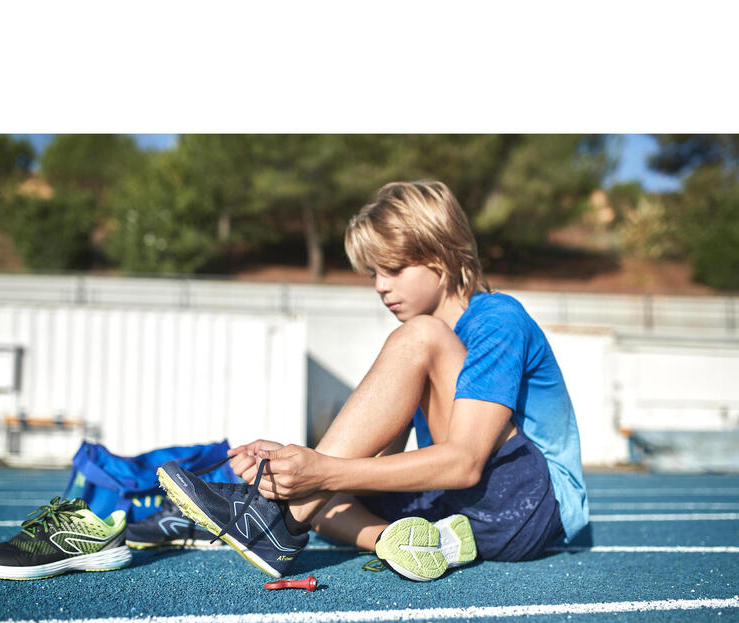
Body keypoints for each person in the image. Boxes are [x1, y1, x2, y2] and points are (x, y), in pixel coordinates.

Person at [158, 180, 588, 582]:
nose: (381, 287)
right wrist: (292, 467)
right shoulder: (429, 351)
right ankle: (395, 540)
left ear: (442, 256)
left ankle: (276, 521)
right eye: (372, 274)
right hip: (470, 514)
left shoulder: (492, 322)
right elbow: (367, 470)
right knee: (330, 499)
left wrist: (321, 471)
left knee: (417, 344)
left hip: (530, 507)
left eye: (394, 268)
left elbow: (464, 462)